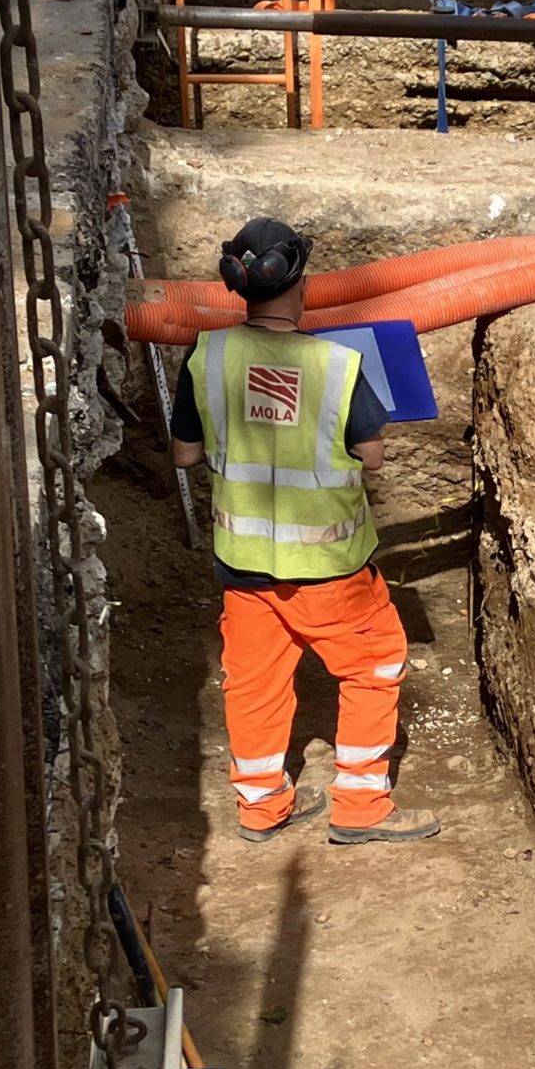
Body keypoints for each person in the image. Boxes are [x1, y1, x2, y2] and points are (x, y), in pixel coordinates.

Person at [170, 217, 440, 848]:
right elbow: (370, 457)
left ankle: (262, 809)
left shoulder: (206, 356)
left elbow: (185, 456)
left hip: (243, 566)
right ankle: (360, 807)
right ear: (303, 285)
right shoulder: (339, 365)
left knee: (255, 684)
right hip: (331, 569)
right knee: (376, 665)